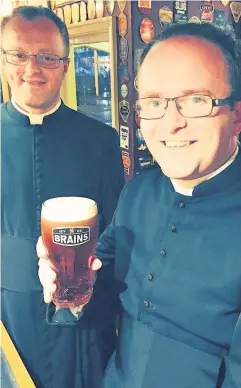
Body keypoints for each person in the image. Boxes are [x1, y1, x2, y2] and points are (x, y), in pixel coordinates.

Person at [38, 22, 241, 387]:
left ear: (237, 115)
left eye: (196, 100)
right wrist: (69, 292)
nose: (171, 123)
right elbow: (101, 293)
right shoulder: (137, 192)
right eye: (154, 103)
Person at [1, 5, 124, 388]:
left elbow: (115, 238)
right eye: (19, 55)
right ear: (4, 61)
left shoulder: (101, 141)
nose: (32, 68)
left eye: (47, 57)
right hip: (9, 321)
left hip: (82, 325)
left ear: (66, 66)